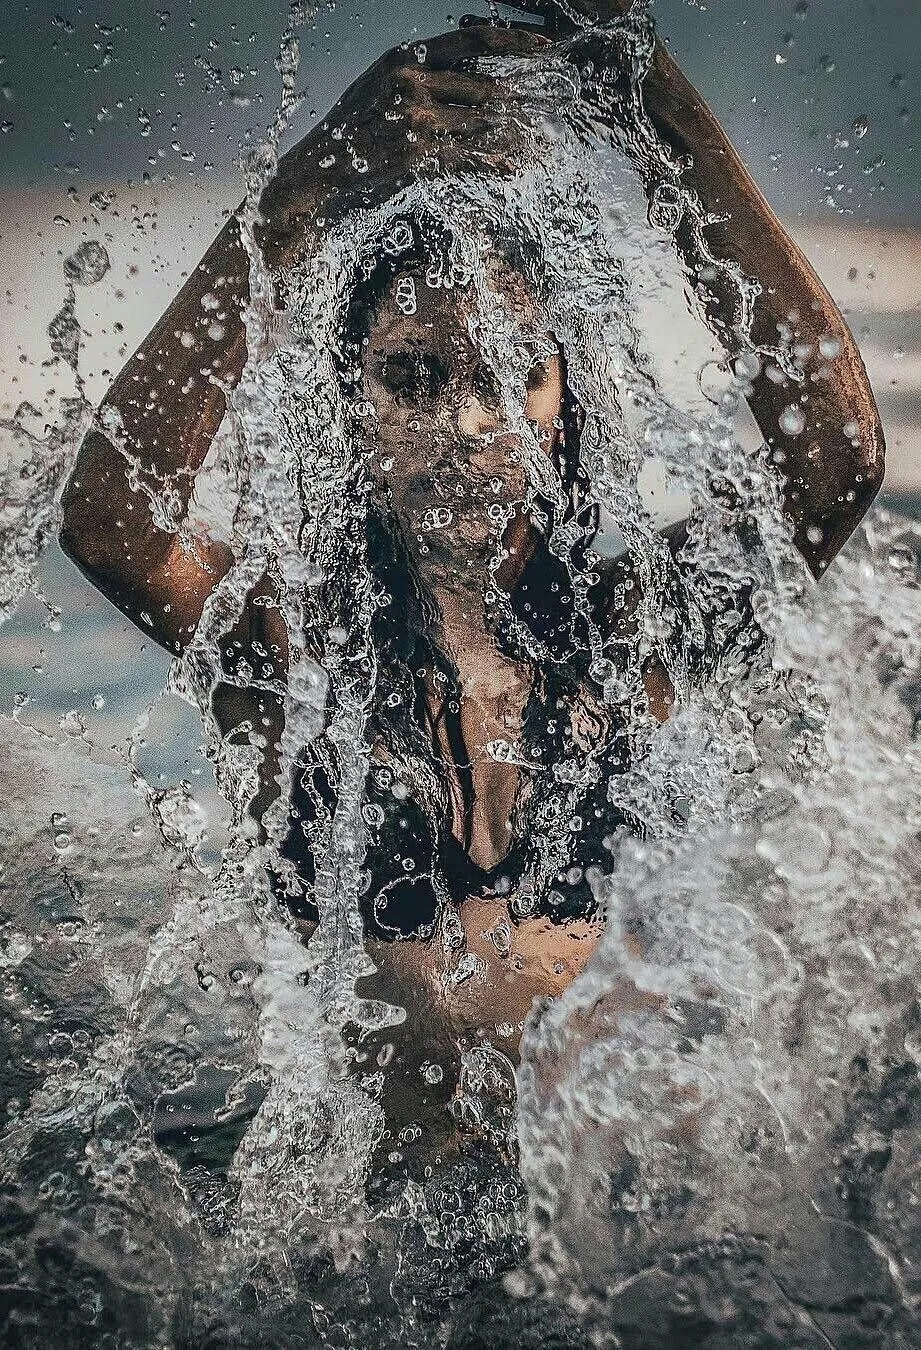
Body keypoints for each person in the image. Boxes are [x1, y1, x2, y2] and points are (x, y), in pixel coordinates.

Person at [60, 2, 884, 1152]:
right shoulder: (298, 647)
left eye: (514, 378)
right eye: (413, 377)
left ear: (564, 407)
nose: (468, 425)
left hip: (600, 1234)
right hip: (371, 1248)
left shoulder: (622, 637)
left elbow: (833, 467)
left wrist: (660, 113)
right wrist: (304, 195)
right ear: (352, 410)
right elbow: (114, 526)